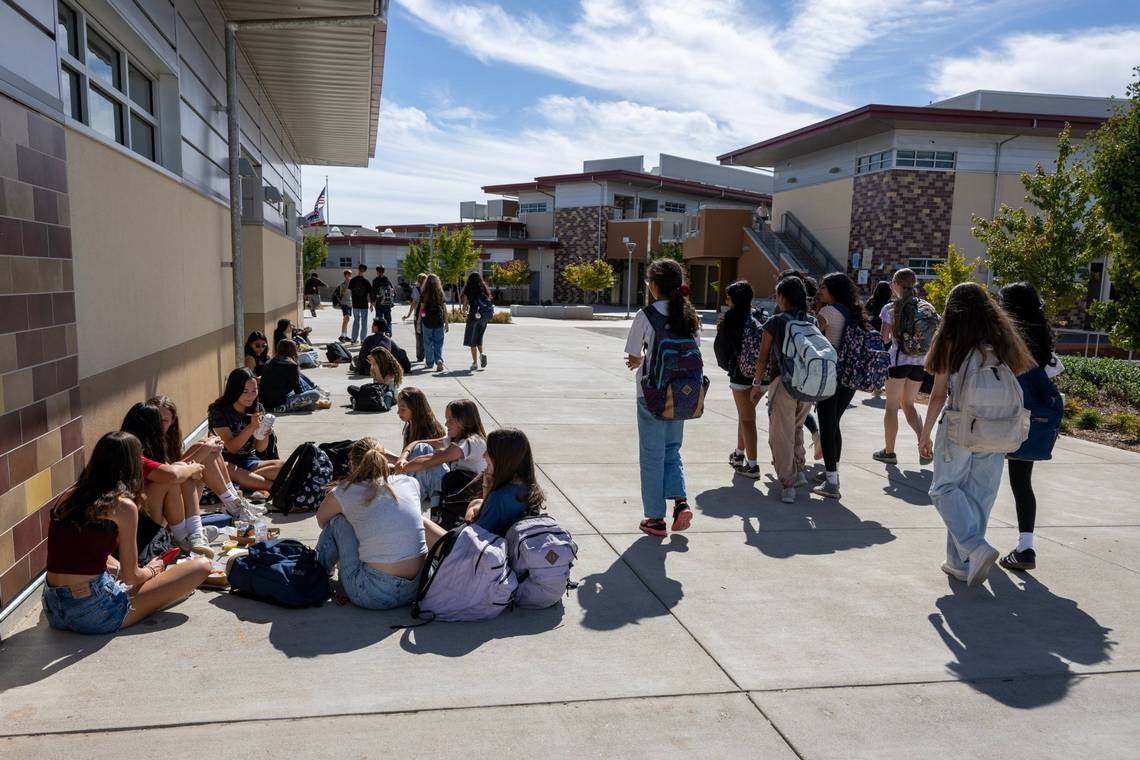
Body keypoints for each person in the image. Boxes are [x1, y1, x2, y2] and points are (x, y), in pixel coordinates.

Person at [919, 282, 1034, 587]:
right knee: (979, 495)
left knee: (944, 489)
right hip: (996, 427)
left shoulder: (950, 340)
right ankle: (960, 563)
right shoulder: (1002, 341)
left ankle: (973, 547)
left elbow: (938, 393)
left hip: (959, 425)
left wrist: (925, 432)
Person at [42, 431, 211, 635]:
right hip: (93, 613)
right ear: (133, 464)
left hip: (53, 607)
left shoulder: (68, 496)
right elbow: (133, 577)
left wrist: (121, 571)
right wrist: (153, 569)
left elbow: (80, 554)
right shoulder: (123, 507)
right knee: (201, 566)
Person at [624, 258, 698, 536]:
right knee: (672, 450)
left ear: (654, 286)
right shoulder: (689, 315)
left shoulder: (646, 315)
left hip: (651, 395)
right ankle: (680, 503)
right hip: (682, 395)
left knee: (652, 455)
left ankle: (655, 518)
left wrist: (639, 360)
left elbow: (633, 355)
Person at [315, 437, 427, 610]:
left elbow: (323, 521)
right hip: (416, 588)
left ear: (352, 464)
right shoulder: (410, 482)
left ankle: (317, 573)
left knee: (338, 520)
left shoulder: (343, 492)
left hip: (372, 594)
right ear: (384, 459)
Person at [998, 282, 1060, 572]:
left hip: (1000, 414)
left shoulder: (1007, 334)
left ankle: (972, 543)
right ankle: (1026, 547)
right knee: (1022, 482)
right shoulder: (1042, 336)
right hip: (1031, 417)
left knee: (981, 480)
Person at [120, 402, 214, 559]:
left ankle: (192, 534)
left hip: (142, 512)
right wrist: (191, 468)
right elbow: (171, 475)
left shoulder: (133, 447)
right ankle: (185, 536)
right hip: (138, 521)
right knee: (175, 475)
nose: (162, 427)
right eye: (159, 422)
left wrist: (188, 469)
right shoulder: (132, 455)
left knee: (181, 469)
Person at [751, 276, 815, 504]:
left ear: (782, 297)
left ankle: (788, 485)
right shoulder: (812, 321)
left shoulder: (775, 322)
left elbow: (763, 358)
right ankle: (798, 472)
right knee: (797, 427)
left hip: (784, 382)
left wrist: (757, 384)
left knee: (781, 434)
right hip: (808, 384)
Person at [423, 428, 543, 548]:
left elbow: (473, 537)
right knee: (476, 502)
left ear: (502, 458)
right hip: (502, 547)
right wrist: (486, 488)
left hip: (471, 552)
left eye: (489, 452)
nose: (484, 455)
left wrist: (469, 520)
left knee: (419, 521)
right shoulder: (528, 488)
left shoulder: (499, 498)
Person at [148, 395, 262, 520]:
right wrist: (206, 449)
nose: (159, 424)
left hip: (176, 487)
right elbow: (171, 472)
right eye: (156, 419)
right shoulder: (146, 442)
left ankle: (234, 502)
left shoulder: (169, 437)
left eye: (165, 420)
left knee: (203, 446)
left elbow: (176, 465)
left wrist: (207, 447)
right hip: (164, 500)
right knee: (205, 451)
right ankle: (232, 503)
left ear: (172, 420)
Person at [812, 273, 867, 498]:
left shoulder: (826, 312)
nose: (820, 291)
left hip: (831, 374)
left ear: (833, 291)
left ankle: (832, 482)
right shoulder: (855, 312)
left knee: (826, 425)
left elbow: (813, 337)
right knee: (834, 423)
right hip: (850, 375)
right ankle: (831, 471)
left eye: (823, 288)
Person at [874, 268, 930, 466]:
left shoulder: (891, 308)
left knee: (891, 406)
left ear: (896, 284)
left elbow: (884, 338)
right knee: (909, 405)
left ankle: (889, 452)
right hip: (919, 363)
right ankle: (924, 444)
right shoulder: (925, 306)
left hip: (898, 361)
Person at [397, 399, 486, 510]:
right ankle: (405, 497)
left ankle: (404, 500)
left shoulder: (472, 442)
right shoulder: (457, 438)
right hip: (455, 485)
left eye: (450, 420)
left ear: (464, 421)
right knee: (422, 448)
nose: (446, 424)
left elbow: (429, 461)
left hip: (466, 493)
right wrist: (403, 457)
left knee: (430, 466)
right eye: (446, 419)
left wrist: (403, 468)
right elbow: (418, 443)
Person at [714, 280, 762, 479]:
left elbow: (720, 351)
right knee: (745, 415)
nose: (726, 300)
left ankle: (752, 466)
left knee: (748, 419)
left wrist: (731, 367)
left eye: (728, 297)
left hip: (741, 376)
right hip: (762, 376)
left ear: (733, 299)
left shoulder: (730, 320)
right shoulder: (759, 317)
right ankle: (739, 454)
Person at [208, 368, 283, 492]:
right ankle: (274, 487)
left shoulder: (257, 408)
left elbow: (260, 448)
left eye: (254, 391)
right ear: (234, 391)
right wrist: (251, 427)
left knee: (284, 467)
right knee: (229, 469)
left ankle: (249, 482)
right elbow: (232, 448)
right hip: (225, 462)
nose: (251, 396)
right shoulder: (219, 411)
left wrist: (264, 433)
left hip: (249, 461)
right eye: (245, 391)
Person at [259, 340, 328, 412]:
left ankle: (311, 393)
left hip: (266, 402)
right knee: (315, 394)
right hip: (281, 401)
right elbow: (298, 390)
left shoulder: (269, 362)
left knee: (300, 376)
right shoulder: (291, 365)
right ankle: (284, 407)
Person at [865, 280, 893, 399]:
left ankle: (873, 384)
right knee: (884, 359)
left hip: (872, 331)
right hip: (885, 331)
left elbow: (865, 314)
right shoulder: (890, 304)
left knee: (873, 358)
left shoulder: (871, 302)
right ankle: (879, 386)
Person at [460, 271, 492, 370]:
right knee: (479, 337)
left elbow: (465, 306)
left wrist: (464, 313)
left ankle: (474, 363)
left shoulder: (468, 289)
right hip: (484, 317)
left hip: (473, 316)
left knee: (472, 340)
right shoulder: (484, 289)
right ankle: (482, 354)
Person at [419, 273, 448, 372]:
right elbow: (444, 309)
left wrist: (421, 320)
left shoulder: (424, 293)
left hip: (427, 321)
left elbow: (422, 309)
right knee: (438, 342)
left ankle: (430, 362)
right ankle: (439, 360)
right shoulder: (440, 293)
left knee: (428, 342)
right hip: (438, 320)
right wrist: (446, 322)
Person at [404, 273, 427, 364]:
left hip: (419, 313)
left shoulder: (416, 289)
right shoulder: (429, 289)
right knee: (427, 335)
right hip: (427, 314)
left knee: (419, 336)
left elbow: (413, 303)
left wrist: (409, 314)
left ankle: (420, 356)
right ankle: (427, 354)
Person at [348, 264, 373, 344]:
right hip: (364, 304)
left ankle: (353, 339)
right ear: (364, 271)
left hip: (355, 304)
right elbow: (369, 294)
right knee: (364, 322)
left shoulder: (353, 280)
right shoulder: (366, 281)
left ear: (358, 269)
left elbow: (350, 291)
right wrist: (371, 304)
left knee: (356, 321)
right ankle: (363, 340)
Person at [371, 266, 395, 336]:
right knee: (388, 319)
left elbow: (373, 292)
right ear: (383, 271)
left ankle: (379, 333)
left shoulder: (375, 280)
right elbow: (393, 292)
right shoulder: (387, 280)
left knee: (379, 319)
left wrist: (372, 303)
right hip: (387, 303)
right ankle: (388, 333)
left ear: (377, 272)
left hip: (379, 303)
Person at [336, 269, 353, 343]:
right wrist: (347, 284)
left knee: (347, 320)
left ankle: (344, 335)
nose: (349, 276)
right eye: (348, 274)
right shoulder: (342, 284)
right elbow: (342, 293)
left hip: (350, 303)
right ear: (345, 275)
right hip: (344, 303)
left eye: (350, 275)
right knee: (346, 318)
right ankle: (342, 335)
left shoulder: (352, 283)